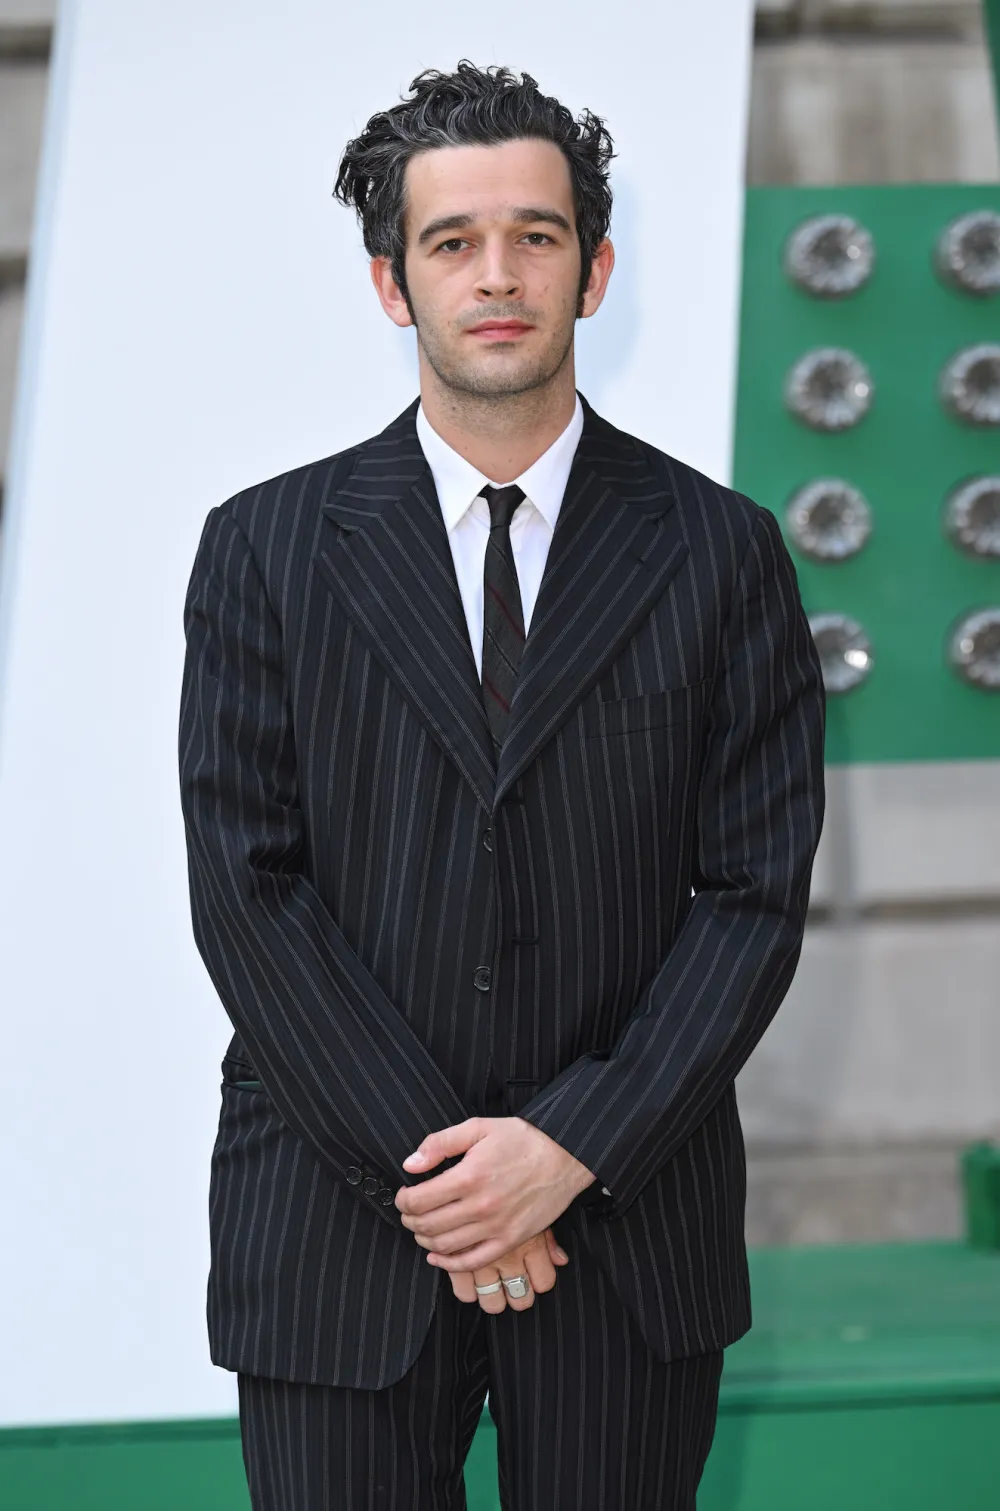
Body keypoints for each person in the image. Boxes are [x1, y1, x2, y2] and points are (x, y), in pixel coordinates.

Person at [178, 59, 826, 1511]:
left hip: (630, 1221)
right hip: (338, 1231)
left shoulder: (722, 552)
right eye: (452, 241)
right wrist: (459, 1191)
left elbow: (752, 897)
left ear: (595, 271)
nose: (497, 275)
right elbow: (246, 892)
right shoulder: (264, 549)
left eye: (536, 236)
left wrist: (571, 1146)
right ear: (391, 283)